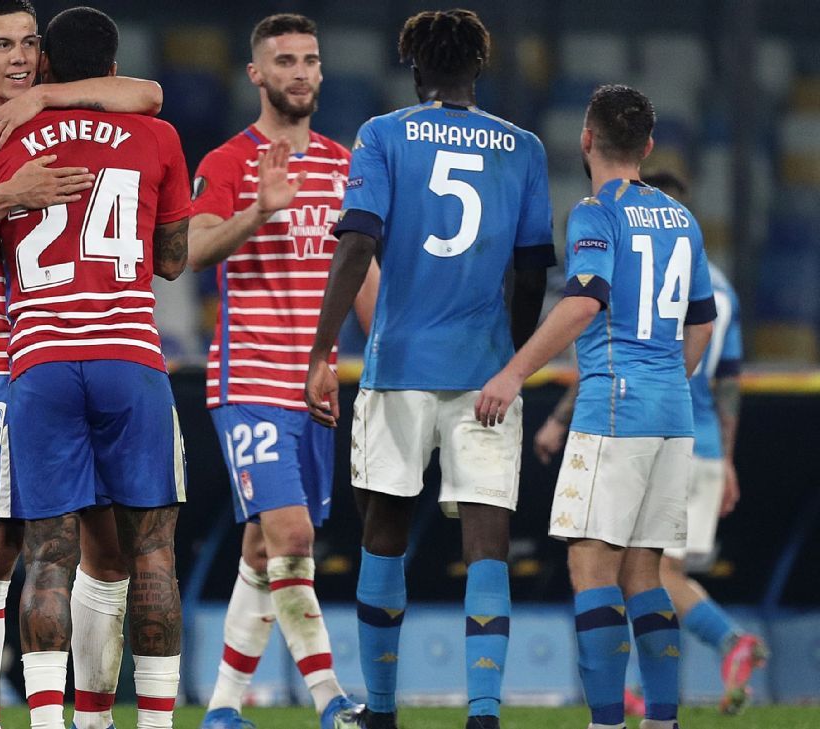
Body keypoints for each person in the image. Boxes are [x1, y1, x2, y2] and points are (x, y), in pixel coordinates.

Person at [0, 3, 164, 727]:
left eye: (29, 43)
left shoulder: (63, 106)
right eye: (2, 45)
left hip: (81, 355)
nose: (19, 57)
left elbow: (149, 93)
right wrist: (6, 197)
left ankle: (91, 716)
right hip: (8, 358)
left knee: (103, 547)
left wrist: (42, 98)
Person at [304, 10, 554, 729]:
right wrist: (510, 357)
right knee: (488, 544)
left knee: (383, 531)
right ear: (479, 68)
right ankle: (484, 714)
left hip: (400, 365)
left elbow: (357, 244)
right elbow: (531, 270)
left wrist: (322, 350)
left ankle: (381, 713)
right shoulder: (524, 147)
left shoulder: (383, 134)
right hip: (485, 369)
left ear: (416, 71)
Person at [474, 85, 717, 729]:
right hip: (672, 414)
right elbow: (702, 320)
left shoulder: (595, 212)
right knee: (645, 574)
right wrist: (670, 378)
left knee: (591, 566)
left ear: (586, 140)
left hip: (615, 408)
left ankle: (606, 722)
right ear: (649, 146)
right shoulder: (682, 219)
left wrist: (513, 371)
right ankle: (661, 720)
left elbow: (584, 301)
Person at [187, 13, 373, 729]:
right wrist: (259, 212)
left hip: (316, 384)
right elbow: (194, 250)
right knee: (293, 538)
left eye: (310, 60)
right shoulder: (229, 160)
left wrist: (387, 356)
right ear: (256, 74)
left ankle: (222, 707)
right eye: (285, 61)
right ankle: (331, 700)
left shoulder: (343, 163)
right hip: (251, 380)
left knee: (265, 547)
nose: (300, 72)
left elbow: (361, 274)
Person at [531, 170, 768, 717]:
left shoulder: (622, 245)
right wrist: (727, 459)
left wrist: (540, 398)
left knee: (623, 570)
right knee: (646, 572)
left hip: (630, 418)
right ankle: (656, 704)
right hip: (691, 433)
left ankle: (722, 645)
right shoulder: (720, 284)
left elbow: (613, 343)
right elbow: (728, 377)